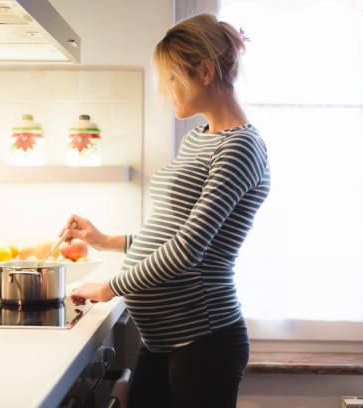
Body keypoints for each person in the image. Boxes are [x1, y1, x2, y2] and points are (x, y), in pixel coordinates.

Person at [59, 13, 270, 408]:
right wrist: (103, 240)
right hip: (166, 339)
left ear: (204, 72)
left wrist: (110, 288)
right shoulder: (200, 138)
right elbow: (171, 232)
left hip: (203, 342)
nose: (164, 89)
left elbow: (189, 249)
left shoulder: (240, 148)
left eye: (171, 78)